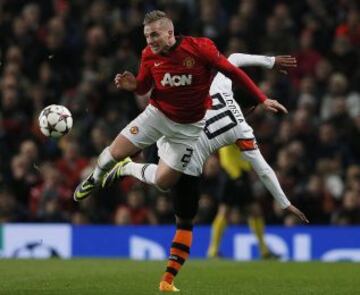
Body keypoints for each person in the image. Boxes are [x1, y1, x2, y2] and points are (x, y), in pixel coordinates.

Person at [73, 10, 284, 292]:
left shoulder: (200, 49)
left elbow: (233, 71)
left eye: (155, 35)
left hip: (188, 130)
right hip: (157, 114)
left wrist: (262, 98)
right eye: (147, 36)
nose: (150, 41)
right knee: (114, 149)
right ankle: (95, 178)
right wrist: (132, 85)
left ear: (170, 33)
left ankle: (126, 169)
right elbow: (145, 86)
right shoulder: (149, 54)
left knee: (163, 183)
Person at [103, 53, 309, 291]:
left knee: (164, 181)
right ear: (251, 109)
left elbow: (234, 59)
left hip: (168, 132)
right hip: (188, 164)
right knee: (185, 222)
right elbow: (263, 170)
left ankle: (126, 166)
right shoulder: (243, 130)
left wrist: (271, 61)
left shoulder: (220, 86)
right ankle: (168, 280)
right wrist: (285, 204)